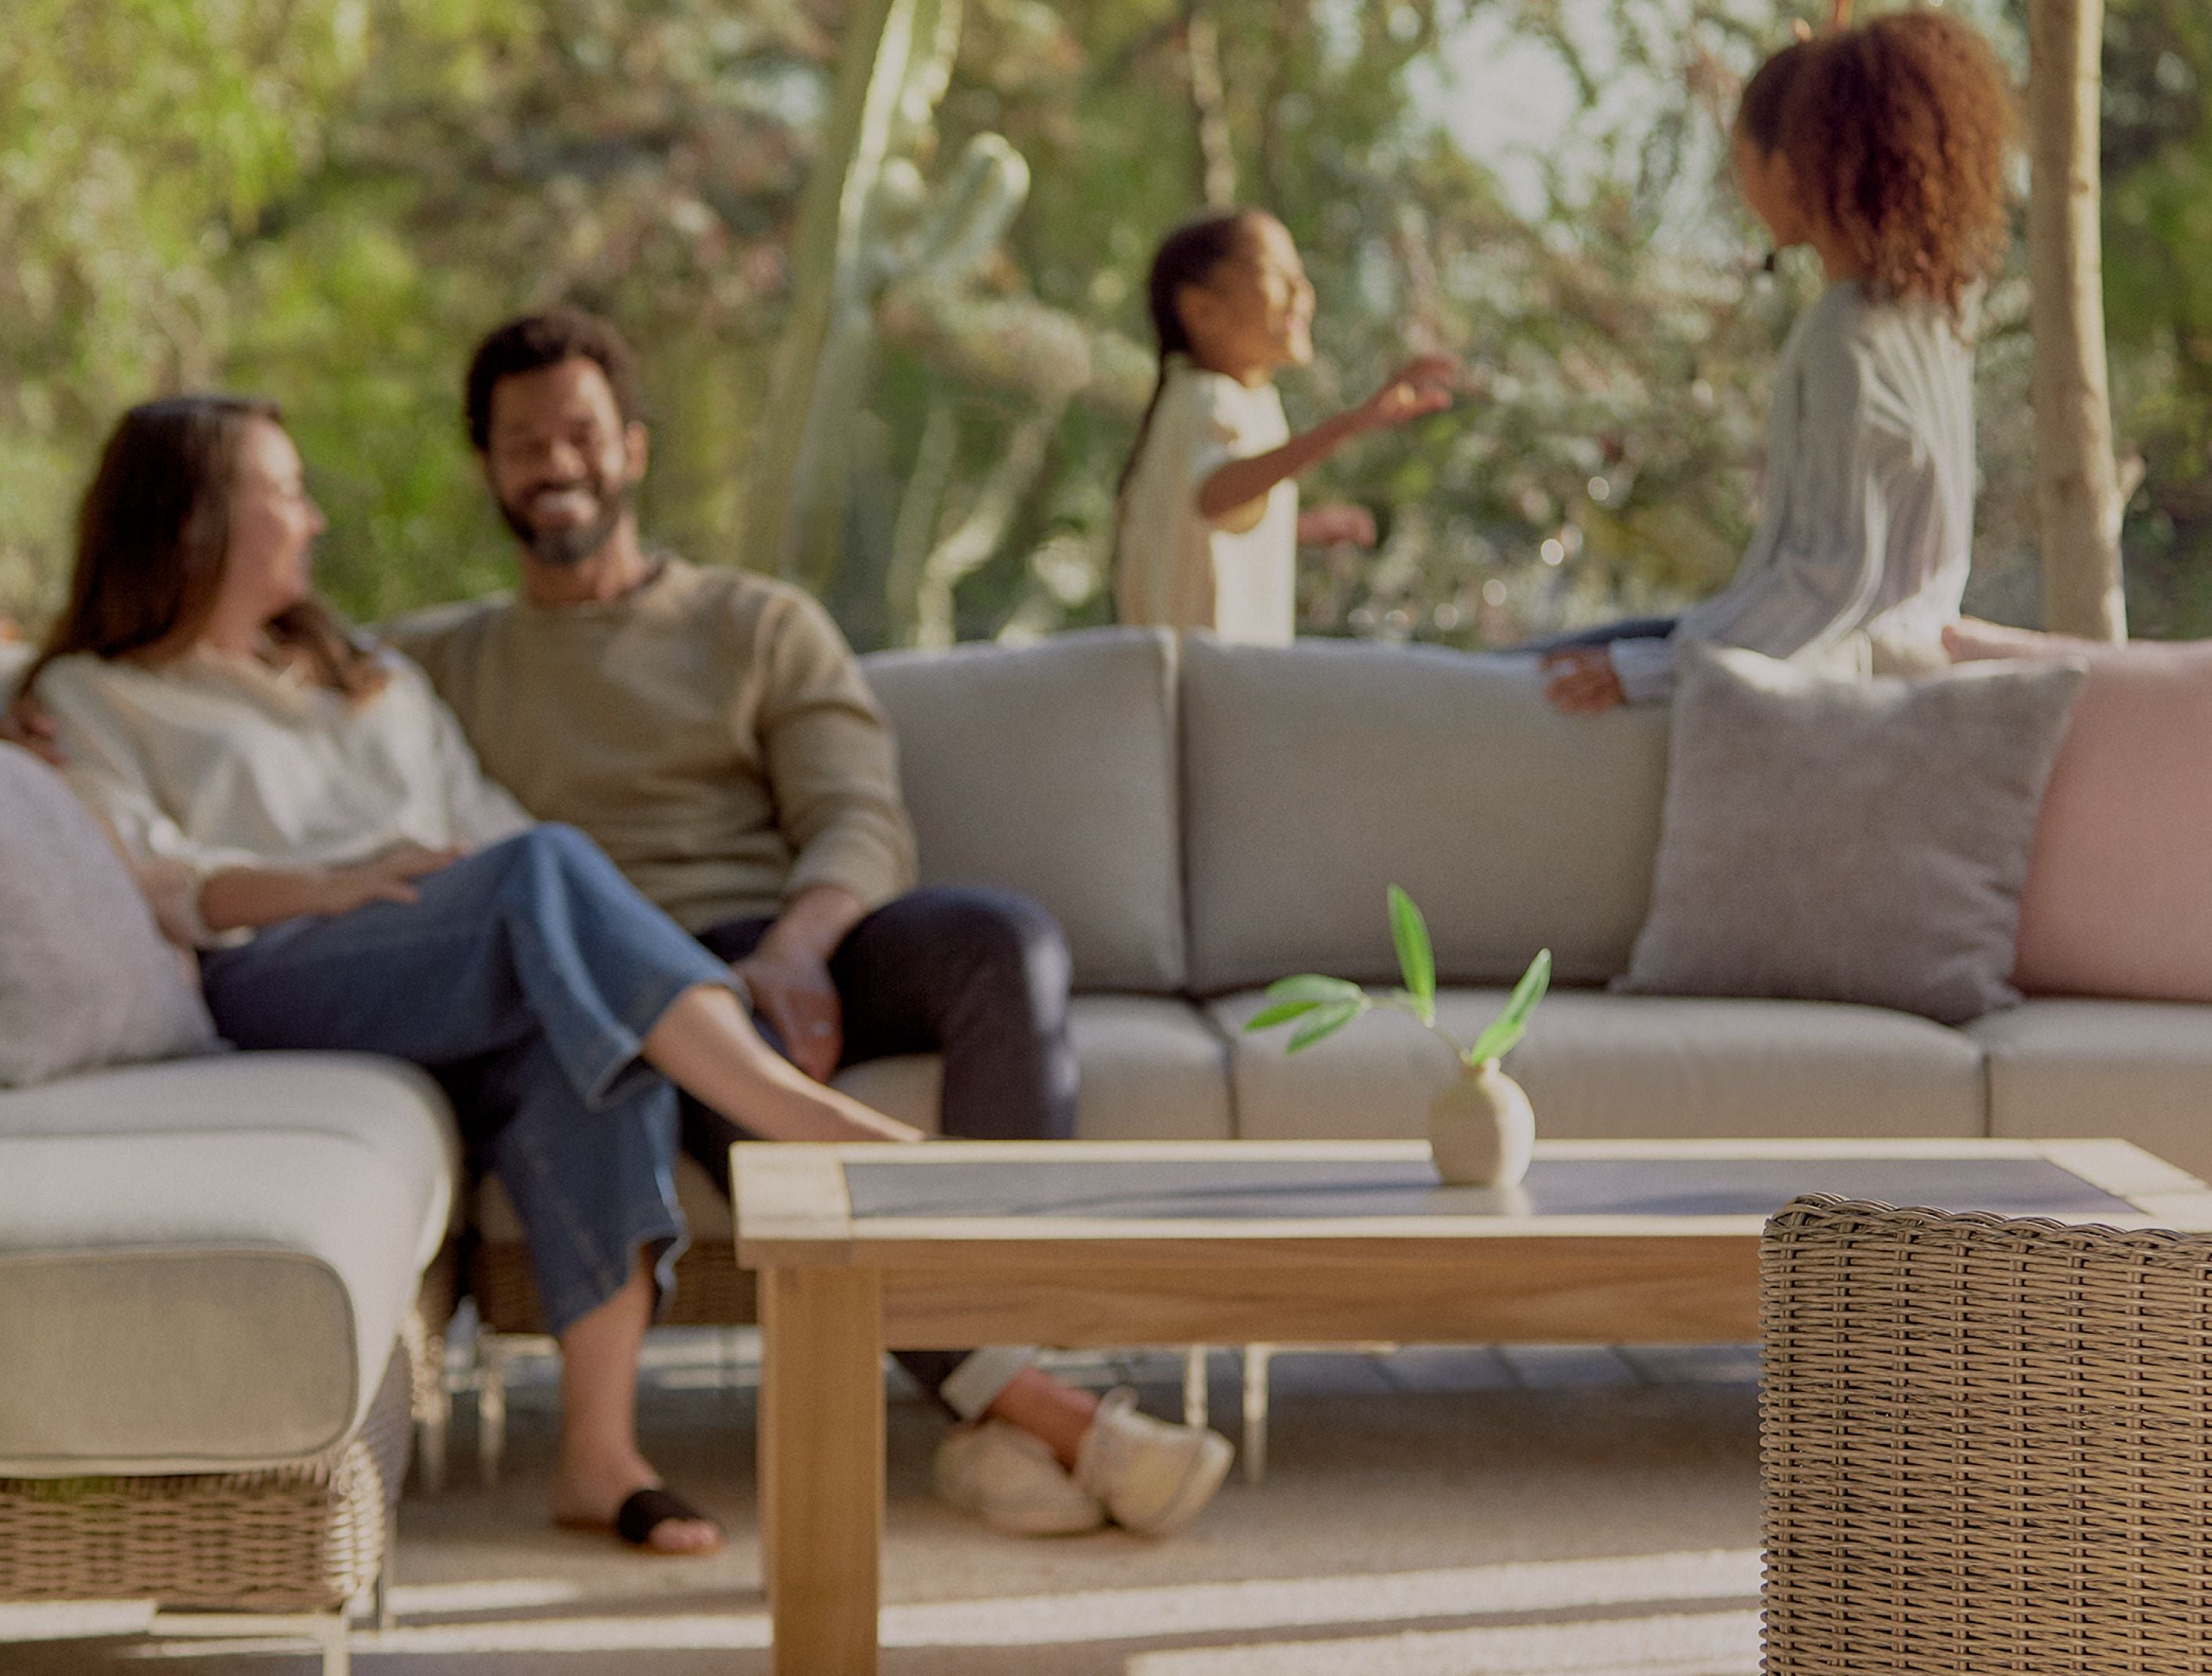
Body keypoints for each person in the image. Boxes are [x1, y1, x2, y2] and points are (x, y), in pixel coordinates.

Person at [19, 393, 926, 1557]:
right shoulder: (95, 698)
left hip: (453, 942)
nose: (312, 521)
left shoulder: (372, 676)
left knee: (577, 1031)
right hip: (277, 973)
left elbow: (489, 830)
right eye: (286, 493)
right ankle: (795, 1117)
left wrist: (464, 886)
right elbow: (149, 880)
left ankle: (601, 1455)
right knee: (539, 877)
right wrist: (333, 884)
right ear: (196, 520)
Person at [387, 309, 1234, 1539]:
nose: (554, 463)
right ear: (489, 468)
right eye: (523, 443)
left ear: (633, 447)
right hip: (608, 983)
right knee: (707, 1037)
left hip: (779, 936)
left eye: (579, 433)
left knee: (1003, 944)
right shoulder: (436, 663)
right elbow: (246, 691)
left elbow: (858, 816)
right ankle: (1031, 1410)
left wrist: (800, 944)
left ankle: (1007, 1352)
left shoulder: (756, 623)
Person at [1539, 12, 2013, 715]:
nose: (1739, 185)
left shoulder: (1845, 337)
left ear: (1791, 170)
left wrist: (1647, 675)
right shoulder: (1938, 315)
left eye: (1743, 159)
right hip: (1885, 651)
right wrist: (1829, 78)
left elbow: (1830, 582)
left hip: (1832, 674)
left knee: (1522, 675)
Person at [1112, 210, 1459, 639]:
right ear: (1202, 310)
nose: (1302, 290)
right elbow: (1215, 498)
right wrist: (1349, 424)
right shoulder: (1205, 397)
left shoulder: (1250, 400)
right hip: (1204, 685)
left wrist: (1301, 528)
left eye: (1301, 272)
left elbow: (1211, 523)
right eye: (1275, 273)